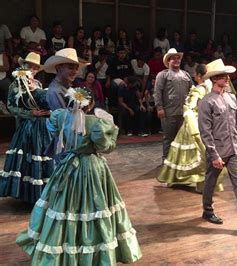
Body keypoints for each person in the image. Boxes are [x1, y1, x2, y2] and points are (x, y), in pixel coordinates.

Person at [16, 87, 142, 265]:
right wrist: (112, 130)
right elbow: (106, 147)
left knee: (65, 206)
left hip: (67, 165)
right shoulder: (96, 123)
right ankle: (92, 252)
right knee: (93, 206)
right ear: (89, 105)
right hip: (91, 167)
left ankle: (63, 248)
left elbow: (53, 134)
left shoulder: (59, 117)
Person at [198, 59, 237, 234]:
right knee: (210, 181)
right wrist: (214, 155)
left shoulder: (231, 97)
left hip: (233, 149)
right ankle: (208, 210)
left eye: (226, 75)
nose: (227, 78)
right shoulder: (207, 102)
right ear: (214, 78)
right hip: (217, 151)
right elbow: (205, 132)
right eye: (223, 75)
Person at [157, 63, 224, 191]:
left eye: (195, 73)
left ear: (199, 75)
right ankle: (190, 180)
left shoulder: (200, 89)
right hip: (206, 122)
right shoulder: (210, 87)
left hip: (195, 123)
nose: (193, 75)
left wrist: (190, 118)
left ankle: (197, 181)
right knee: (191, 154)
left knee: (193, 153)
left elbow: (189, 107)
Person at [0, 52, 53, 203]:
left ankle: (41, 192)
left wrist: (47, 112)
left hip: (42, 127)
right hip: (27, 126)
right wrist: (30, 113)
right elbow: (11, 107)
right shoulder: (15, 84)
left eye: (36, 66)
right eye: (30, 65)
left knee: (42, 156)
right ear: (24, 66)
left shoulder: (39, 84)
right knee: (26, 157)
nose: (33, 68)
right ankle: (25, 192)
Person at [154, 48, 193, 162]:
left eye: (178, 58)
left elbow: (192, 90)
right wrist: (159, 108)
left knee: (182, 138)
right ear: (168, 61)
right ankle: (166, 160)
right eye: (173, 58)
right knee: (168, 138)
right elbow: (157, 92)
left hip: (184, 111)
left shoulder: (186, 75)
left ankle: (179, 161)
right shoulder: (163, 75)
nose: (176, 60)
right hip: (169, 111)